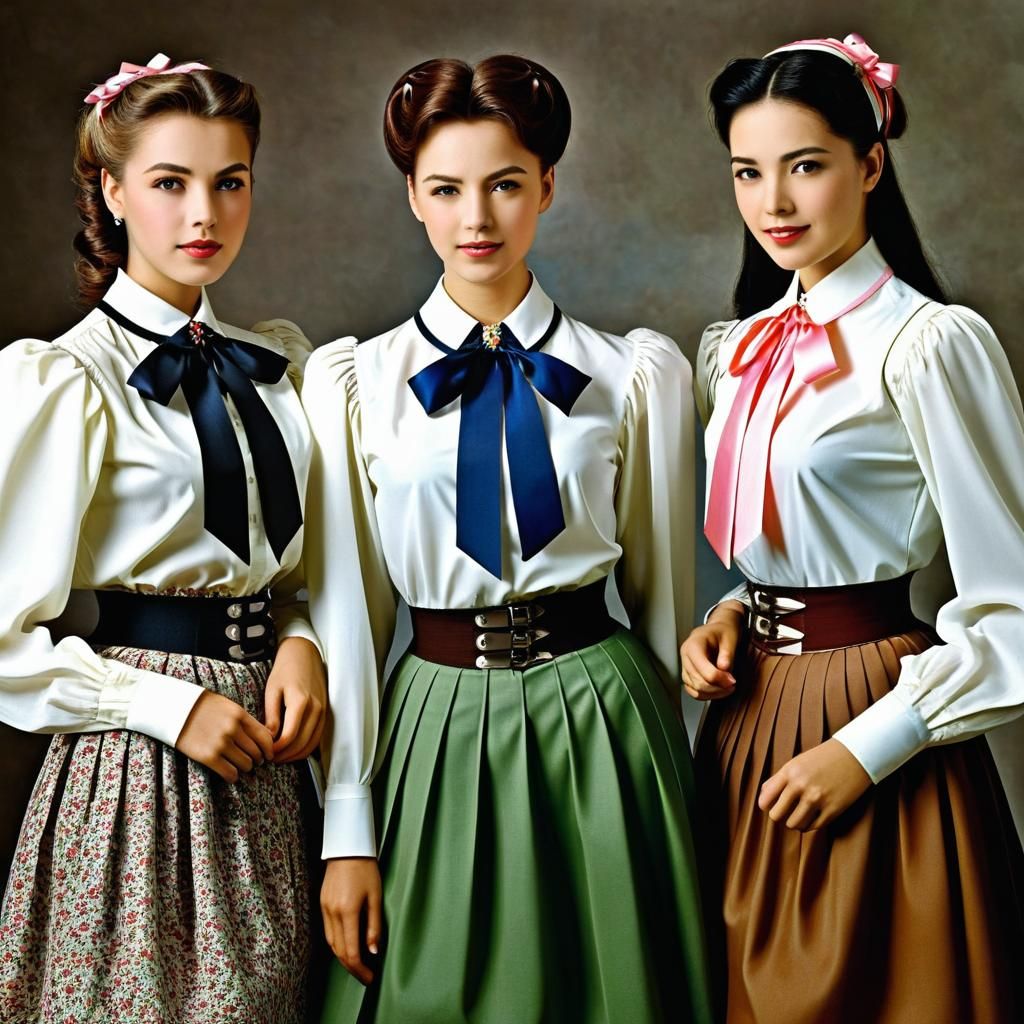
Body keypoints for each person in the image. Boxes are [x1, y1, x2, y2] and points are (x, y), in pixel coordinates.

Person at [303, 53, 714, 1024]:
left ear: (548, 189)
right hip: (433, 724)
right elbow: (349, 621)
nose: (475, 218)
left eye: (504, 185)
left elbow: (664, 608)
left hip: (604, 727)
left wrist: (666, 793)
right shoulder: (353, 384)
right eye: (446, 189)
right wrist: (348, 830)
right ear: (412, 196)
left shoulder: (631, 376)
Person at [682, 32, 1024, 1023]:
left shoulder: (929, 345)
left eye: (804, 167)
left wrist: (867, 748)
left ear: (869, 164)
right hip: (746, 723)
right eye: (748, 172)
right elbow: (793, 537)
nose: (773, 204)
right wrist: (734, 612)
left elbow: (1011, 608)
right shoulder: (736, 348)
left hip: (877, 718)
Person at [0, 53, 326, 1023]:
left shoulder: (281, 366)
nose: (205, 216)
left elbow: (304, 565)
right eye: (170, 183)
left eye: (230, 183)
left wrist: (301, 638)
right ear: (111, 189)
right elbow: (3, 638)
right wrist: (159, 706)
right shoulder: (68, 379)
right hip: (137, 764)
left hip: (271, 756)